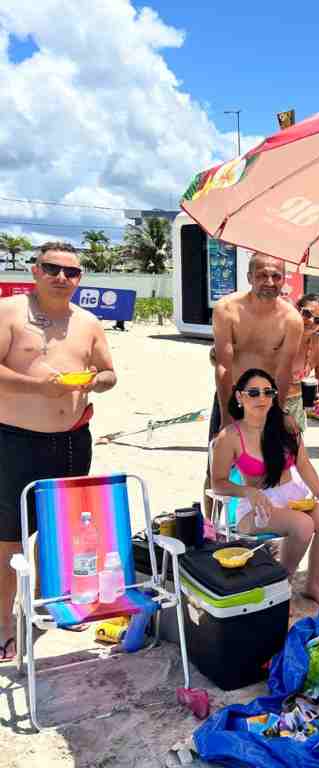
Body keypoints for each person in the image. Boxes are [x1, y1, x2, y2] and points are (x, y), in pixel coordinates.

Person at [0, 242, 117, 661]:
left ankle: (49, 605)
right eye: (52, 268)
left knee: (61, 531)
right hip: (14, 439)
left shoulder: (87, 322)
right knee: (8, 537)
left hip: (70, 439)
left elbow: (109, 373)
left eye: (71, 272)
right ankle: (3, 624)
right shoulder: (11, 313)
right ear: (35, 271)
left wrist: (94, 381)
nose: (62, 277)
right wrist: (40, 386)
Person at [210, 368, 319, 607]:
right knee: (303, 524)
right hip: (255, 506)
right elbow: (217, 483)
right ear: (239, 397)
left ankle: (312, 585)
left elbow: (304, 465)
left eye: (268, 392)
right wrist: (247, 490)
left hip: (293, 495)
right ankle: (280, 586)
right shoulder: (229, 436)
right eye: (253, 392)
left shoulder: (286, 426)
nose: (262, 398)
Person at [205, 254, 303, 508]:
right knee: (217, 470)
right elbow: (224, 366)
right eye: (261, 275)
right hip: (232, 397)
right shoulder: (227, 309)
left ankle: (264, 524)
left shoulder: (291, 320)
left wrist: (278, 412)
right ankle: (212, 527)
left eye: (276, 276)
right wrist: (228, 416)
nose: (269, 281)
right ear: (249, 277)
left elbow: (283, 371)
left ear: (284, 280)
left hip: (268, 402)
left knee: (272, 468)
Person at [283, 295, 319, 433]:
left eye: (318, 320)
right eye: (307, 313)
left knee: (291, 453)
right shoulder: (276, 335)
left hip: (295, 409)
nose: (311, 321)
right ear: (296, 310)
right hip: (264, 402)